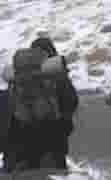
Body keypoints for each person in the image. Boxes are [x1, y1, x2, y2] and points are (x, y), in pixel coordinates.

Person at [0, 43, 80, 171]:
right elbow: (70, 109)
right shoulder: (57, 87)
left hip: (14, 162)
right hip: (51, 158)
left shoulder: (9, 93)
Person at [28, 37, 79, 167]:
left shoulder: (23, 76)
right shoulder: (57, 74)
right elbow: (72, 101)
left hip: (26, 141)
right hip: (55, 141)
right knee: (55, 178)